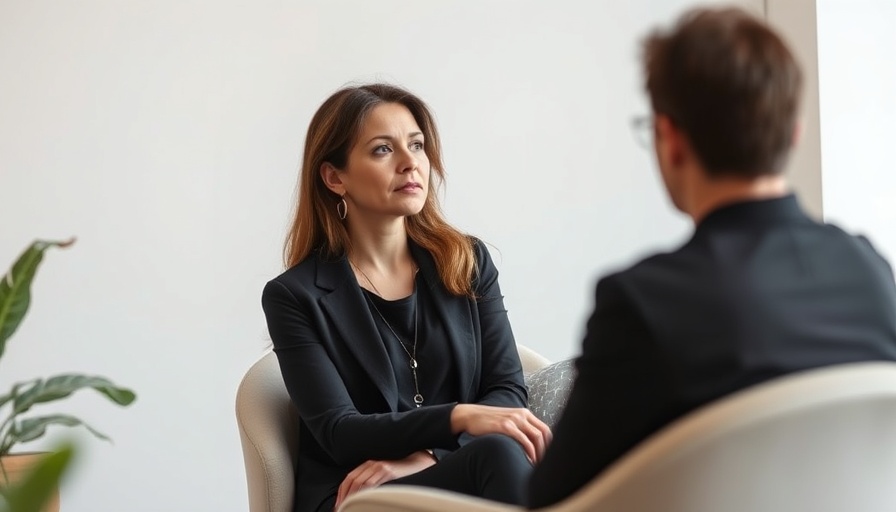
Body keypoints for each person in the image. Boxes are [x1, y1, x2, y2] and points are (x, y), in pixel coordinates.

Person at [528, 6, 896, 508]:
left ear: (670, 140)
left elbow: (554, 499)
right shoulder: (869, 273)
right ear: (794, 131)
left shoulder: (643, 303)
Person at [261, 83, 551, 512]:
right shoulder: (294, 296)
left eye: (416, 145)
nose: (409, 163)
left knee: (504, 455)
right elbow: (341, 432)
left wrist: (428, 455)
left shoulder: (467, 261)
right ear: (334, 177)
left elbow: (506, 389)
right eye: (382, 150)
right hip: (357, 494)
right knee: (498, 454)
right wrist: (459, 417)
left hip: (454, 472)